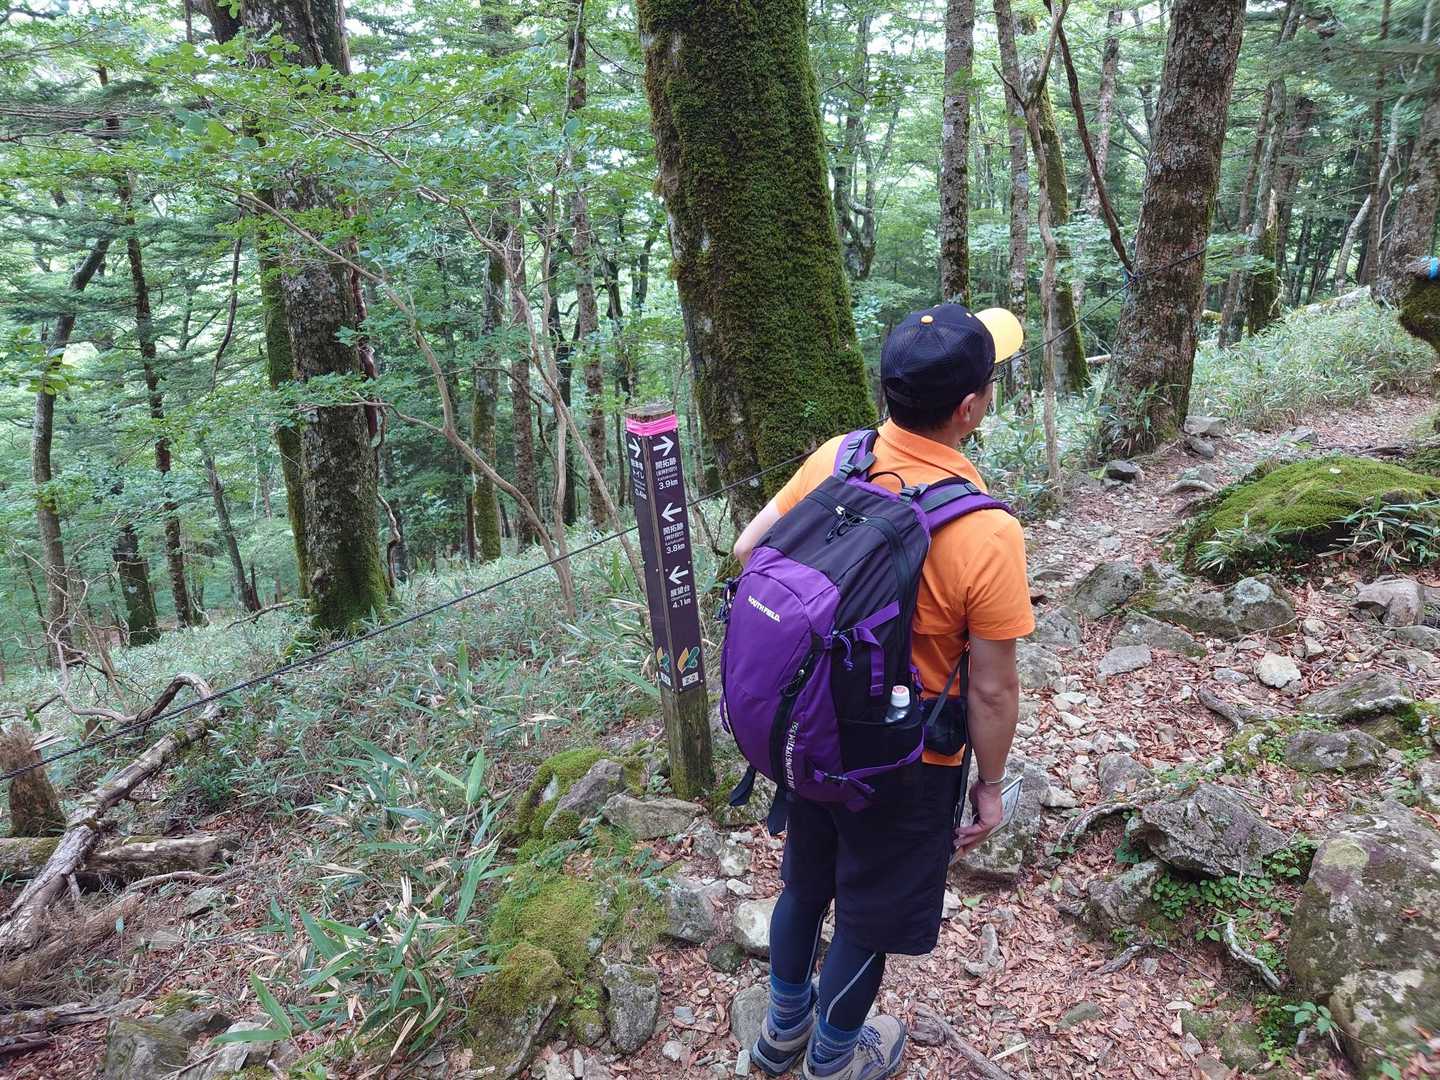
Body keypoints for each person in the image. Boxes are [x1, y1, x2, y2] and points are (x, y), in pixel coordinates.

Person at [730, 303, 1034, 1080]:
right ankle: (834, 1060)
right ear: (969, 409)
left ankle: (781, 1034)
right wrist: (991, 787)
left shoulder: (838, 457)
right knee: (866, 920)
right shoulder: (986, 532)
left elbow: (747, 548)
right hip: (907, 763)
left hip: (814, 729)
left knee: (805, 884)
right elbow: (992, 691)